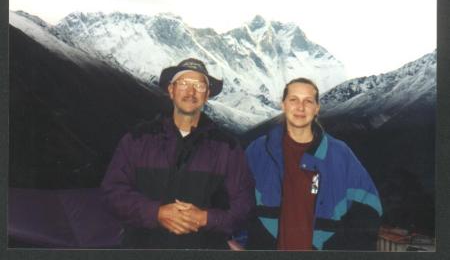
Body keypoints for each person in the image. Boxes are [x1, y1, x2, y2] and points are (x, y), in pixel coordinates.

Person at [101, 58, 255, 249]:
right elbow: (112, 192)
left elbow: (244, 204)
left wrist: (206, 218)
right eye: (183, 84)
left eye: (199, 85)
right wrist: (156, 213)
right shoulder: (138, 139)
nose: (191, 92)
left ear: (207, 95)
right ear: (171, 90)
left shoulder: (227, 147)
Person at [244, 77, 382, 250]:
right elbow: (236, 198)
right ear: (283, 104)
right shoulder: (259, 150)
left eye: (308, 101)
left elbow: (369, 206)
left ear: (317, 108)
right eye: (293, 100)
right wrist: (236, 242)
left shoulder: (340, 154)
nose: (300, 107)